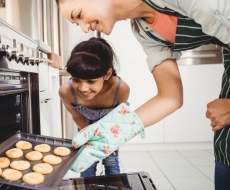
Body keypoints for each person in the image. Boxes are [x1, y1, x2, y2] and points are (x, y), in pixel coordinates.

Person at [56, 0, 230, 189]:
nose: (84, 28)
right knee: (225, 148)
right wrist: (114, 131)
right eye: (76, 23)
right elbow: (170, 97)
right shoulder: (144, 30)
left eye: (79, 14)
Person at [59, 37, 130, 177]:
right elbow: (77, 116)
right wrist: (89, 138)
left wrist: (111, 140)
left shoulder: (120, 89)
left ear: (107, 74)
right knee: (86, 162)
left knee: (111, 161)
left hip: (110, 129)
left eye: (91, 81)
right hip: (85, 126)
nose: (83, 88)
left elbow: (119, 117)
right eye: (76, 79)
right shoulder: (66, 91)